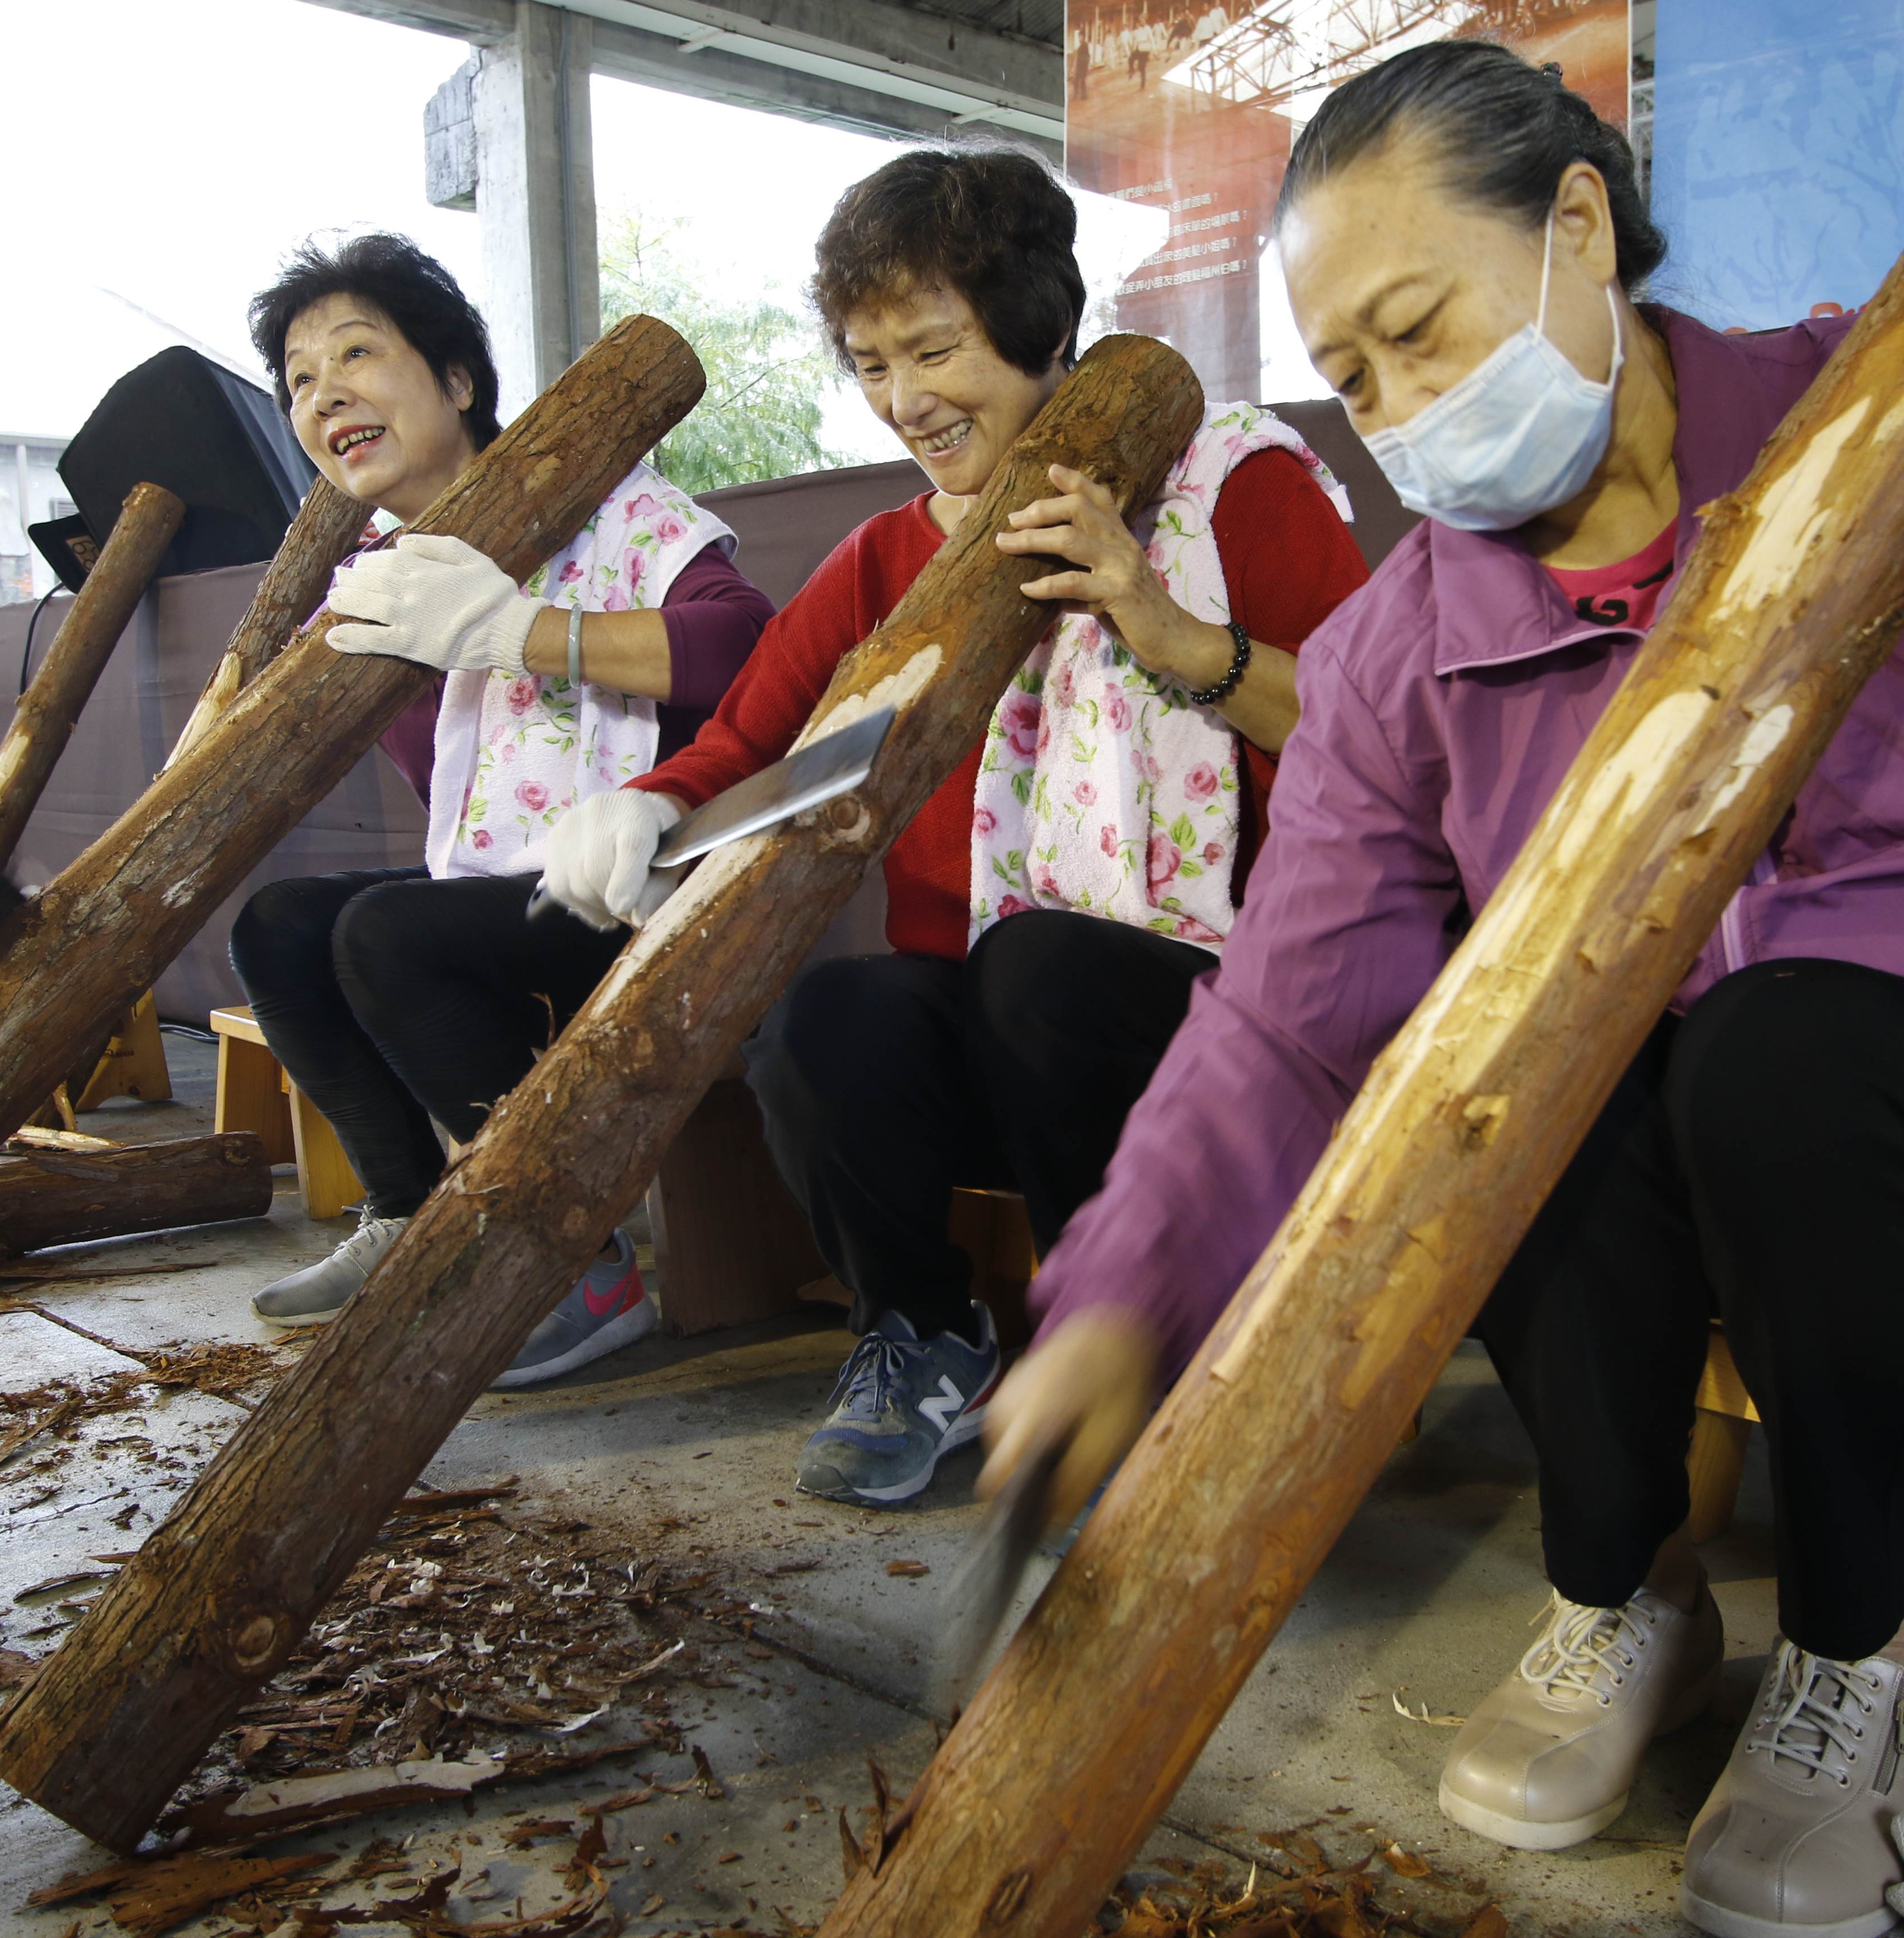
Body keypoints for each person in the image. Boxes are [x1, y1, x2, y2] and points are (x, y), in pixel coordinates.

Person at [982, 0, 1904, 1938]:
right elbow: (1285, 1019)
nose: (1408, 414)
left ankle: (1867, 1659)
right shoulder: (1395, 653)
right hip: (1689, 1146)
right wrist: (1122, 1293)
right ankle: (1621, 1590)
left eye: (1423, 329)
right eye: (1359, 382)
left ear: (1577, 221)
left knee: (1781, 1045)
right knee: (1496, 1062)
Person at [535, 148, 1369, 1506]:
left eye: (935, 349)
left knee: (1043, 969)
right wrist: (643, 805)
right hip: (991, 1006)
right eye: (871, 362)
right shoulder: (882, 558)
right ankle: (922, 1336)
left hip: (1219, 1001)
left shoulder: (1231, 489)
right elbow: (746, 740)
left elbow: (1376, 741)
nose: (905, 399)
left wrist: (1164, 629)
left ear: (1042, 322)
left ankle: (1146, 1344)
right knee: (826, 1020)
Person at [226, 232, 772, 1383]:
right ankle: (410, 1215)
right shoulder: (377, 581)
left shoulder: (615, 510)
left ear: (459, 380)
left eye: (357, 355)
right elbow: (444, 792)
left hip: (634, 879)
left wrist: (524, 630)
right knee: (280, 924)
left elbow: (747, 650)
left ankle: (576, 1260)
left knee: (387, 932)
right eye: (300, 383)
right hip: (495, 890)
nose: (327, 396)